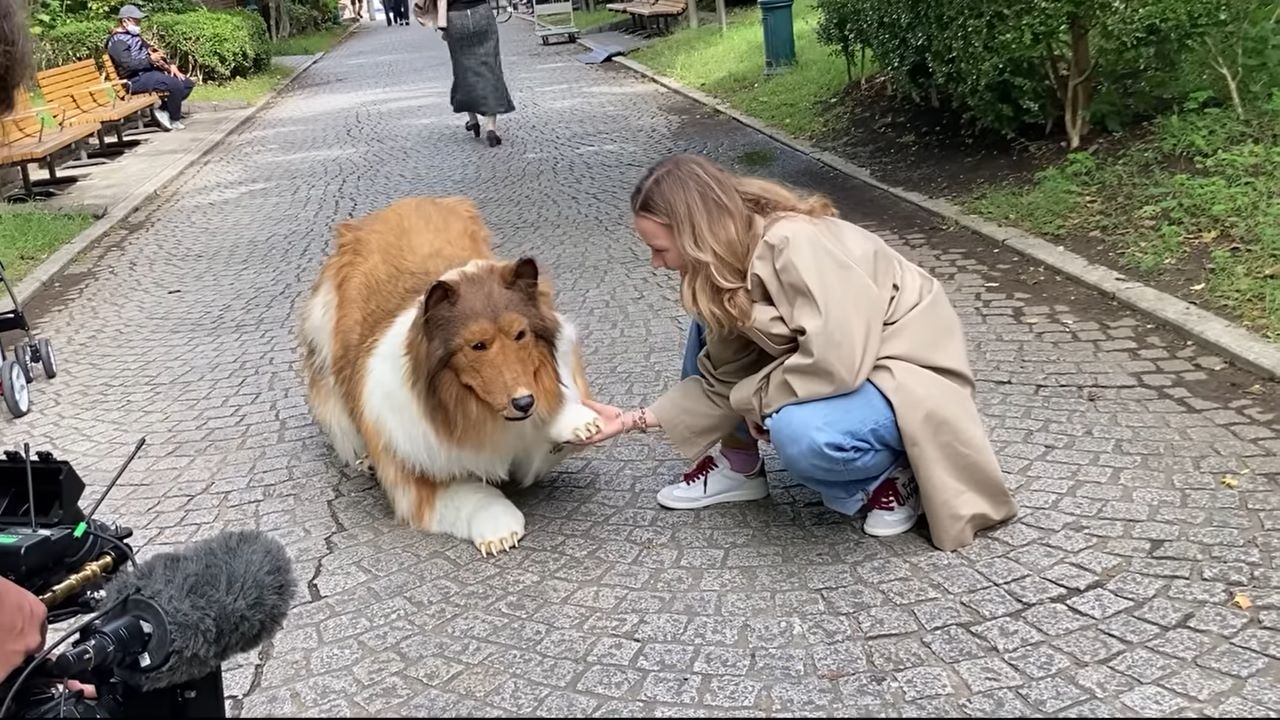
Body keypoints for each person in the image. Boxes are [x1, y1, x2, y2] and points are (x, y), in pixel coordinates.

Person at [575, 154, 1018, 551]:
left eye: (659, 249)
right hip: (847, 367)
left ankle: (894, 473)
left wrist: (758, 400)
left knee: (801, 434)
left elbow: (836, 361)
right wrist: (633, 419)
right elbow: (722, 377)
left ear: (693, 234)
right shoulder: (723, 266)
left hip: (902, 370)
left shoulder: (794, 243)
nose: (656, 263)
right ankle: (738, 462)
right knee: (707, 323)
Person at [414, 0, 515, 147]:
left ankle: (473, 120)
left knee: (464, 69)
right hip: (482, 13)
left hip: (456, 18)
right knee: (490, 67)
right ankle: (491, 128)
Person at [105, 4, 196, 131]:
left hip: (147, 73)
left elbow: (153, 51)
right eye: (136, 21)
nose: (139, 24)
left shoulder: (134, 36)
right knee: (175, 85)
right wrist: (149, 60)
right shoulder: (117, 42)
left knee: (186, 83)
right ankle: (174, 119)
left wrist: (170, 66)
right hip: (133, 80)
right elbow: (127, 65)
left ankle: (164, 110)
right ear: (125, 21)